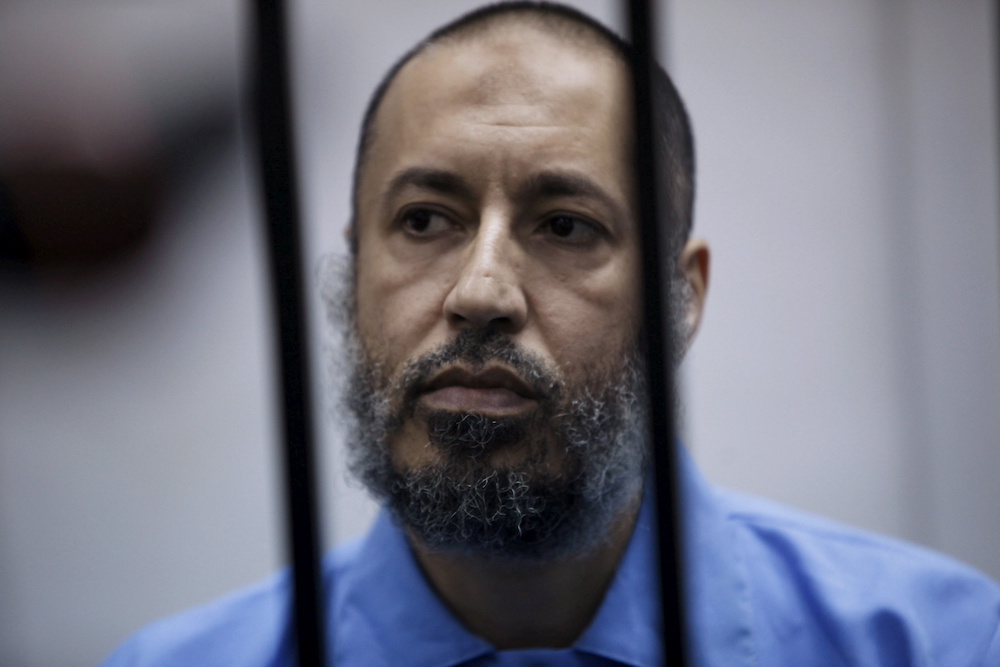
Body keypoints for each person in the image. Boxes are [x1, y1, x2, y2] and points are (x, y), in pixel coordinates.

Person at [102, 2, 1000, 665]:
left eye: (566, 225)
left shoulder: (938, 643)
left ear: (681, 299)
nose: (481, 290)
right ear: (351, 276)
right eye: (423, 221)